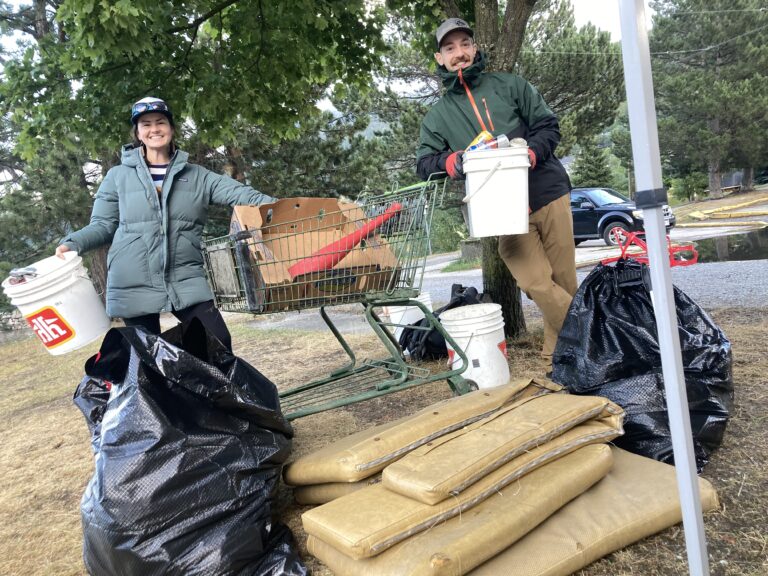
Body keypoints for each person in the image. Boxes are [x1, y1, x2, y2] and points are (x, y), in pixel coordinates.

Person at [416, 18, 577, 373]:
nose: (459, 53)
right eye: (450, 48)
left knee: (563, 282)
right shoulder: (438, 116)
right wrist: (453, 161)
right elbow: (424, 162)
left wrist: (530, 152)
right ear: (440, 58)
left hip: (547, 191)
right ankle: (593, 333)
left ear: (475, 49)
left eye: (464, 44)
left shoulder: (510, 86)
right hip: (502, 209)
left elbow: (548, 126)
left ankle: (557, 363)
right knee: (535, 282)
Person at [55, 97, 276, 350]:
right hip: (132, 281)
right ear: (138, 133)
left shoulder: (197, 176)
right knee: (150, 360)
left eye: (160, 122)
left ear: (171, 129)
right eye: (146, 124)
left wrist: (282, 208)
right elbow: (103, 225)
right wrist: (72, 244)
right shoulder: (117, 177)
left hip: (185, 276)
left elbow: (245, 196)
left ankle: (211, 390)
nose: (154, 129)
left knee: (217, 343)